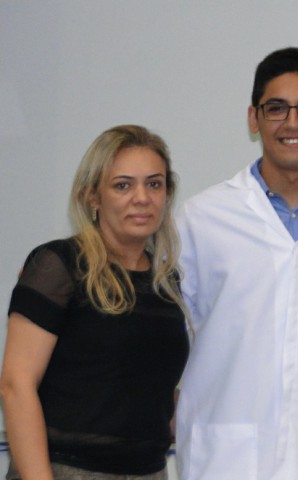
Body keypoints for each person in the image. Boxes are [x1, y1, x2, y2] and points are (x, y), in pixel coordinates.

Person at [175, 47, 298, 480]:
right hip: (226, 460)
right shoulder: (202, 217)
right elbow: (163, 336)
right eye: (276, 108)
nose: (293, 122)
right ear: (254, 118)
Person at [0, 125, 190, 480]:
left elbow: (145, 391)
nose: (142, 198)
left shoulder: (167, 282)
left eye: (154, 184)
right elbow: (16, 384)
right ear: (92, 197)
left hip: (150, 471)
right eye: (123, 185)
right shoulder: (58, 265)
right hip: (65, 470)